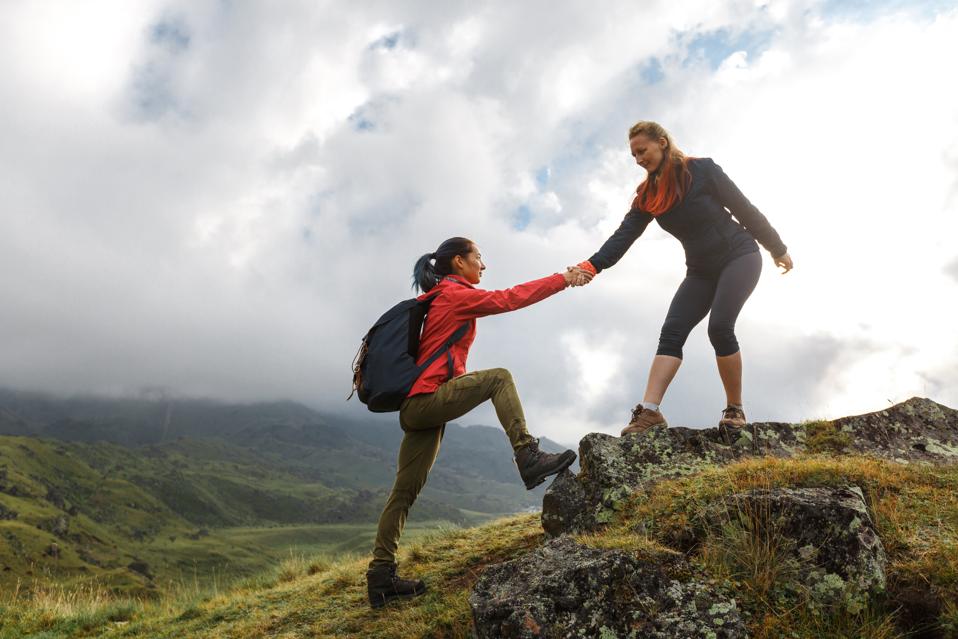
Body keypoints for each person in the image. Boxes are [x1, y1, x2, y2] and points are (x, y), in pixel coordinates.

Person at [366, 237, 589, 609]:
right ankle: (527, 455)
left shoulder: (439, 297)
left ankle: (380, 577)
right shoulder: (454, 295)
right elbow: (509, 298)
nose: (483, 265)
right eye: (478, 258)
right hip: (426, 401)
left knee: (403, 494)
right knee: (499, 378)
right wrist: (563, 279)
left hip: (418, 407)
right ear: (459, 261)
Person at [571, 120, 793, 436]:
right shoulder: (648, 195)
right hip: (700, 271)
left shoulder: (701, 170)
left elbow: (744, 209)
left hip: (739, 256)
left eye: (642, 151)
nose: (638, 159)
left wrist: (776, 247)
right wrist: (592, 266)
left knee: (720, 327)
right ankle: (649, 412)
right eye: (633, 155)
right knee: (672, 331)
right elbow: (624, 236)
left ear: (662, 143)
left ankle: (735, 409)